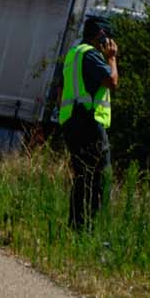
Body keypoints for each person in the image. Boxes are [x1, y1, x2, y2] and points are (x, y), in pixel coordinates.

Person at [57, 15, 118, 231]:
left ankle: (76, 228)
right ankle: (91, 232)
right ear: (100, 35)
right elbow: (112, 82)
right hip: (89, 124)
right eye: (108, 38)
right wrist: (111, 58)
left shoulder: (74, 54)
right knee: (100, 179)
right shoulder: (92, 56)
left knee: (83, 178)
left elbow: (61, 90)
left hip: (71, 122)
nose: (110, 43)